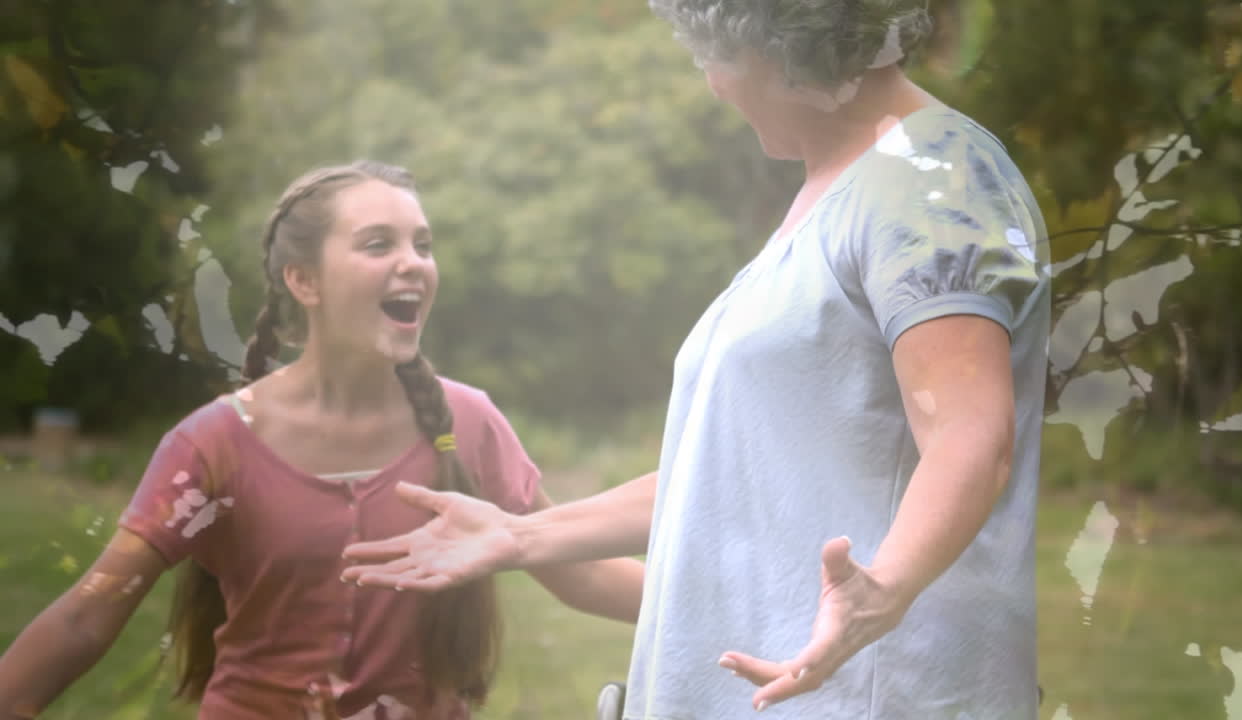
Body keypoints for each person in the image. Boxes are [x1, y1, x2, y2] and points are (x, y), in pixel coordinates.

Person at [343, 1, 1051, 717]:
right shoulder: (841, 190)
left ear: (787, 52)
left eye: (720, 57)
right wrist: (522, 534)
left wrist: (885, 589)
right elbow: (735, 472)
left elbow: (968, 434)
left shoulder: (930, 181)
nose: (714, 84)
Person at [0, 161, 643, 720]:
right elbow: (88, 616)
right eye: (376, 244)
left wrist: (740, 609)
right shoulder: (214, 444)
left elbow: (581, 573)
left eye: (423, 244)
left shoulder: (466, 423)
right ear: (303, 282)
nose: (412, 263)